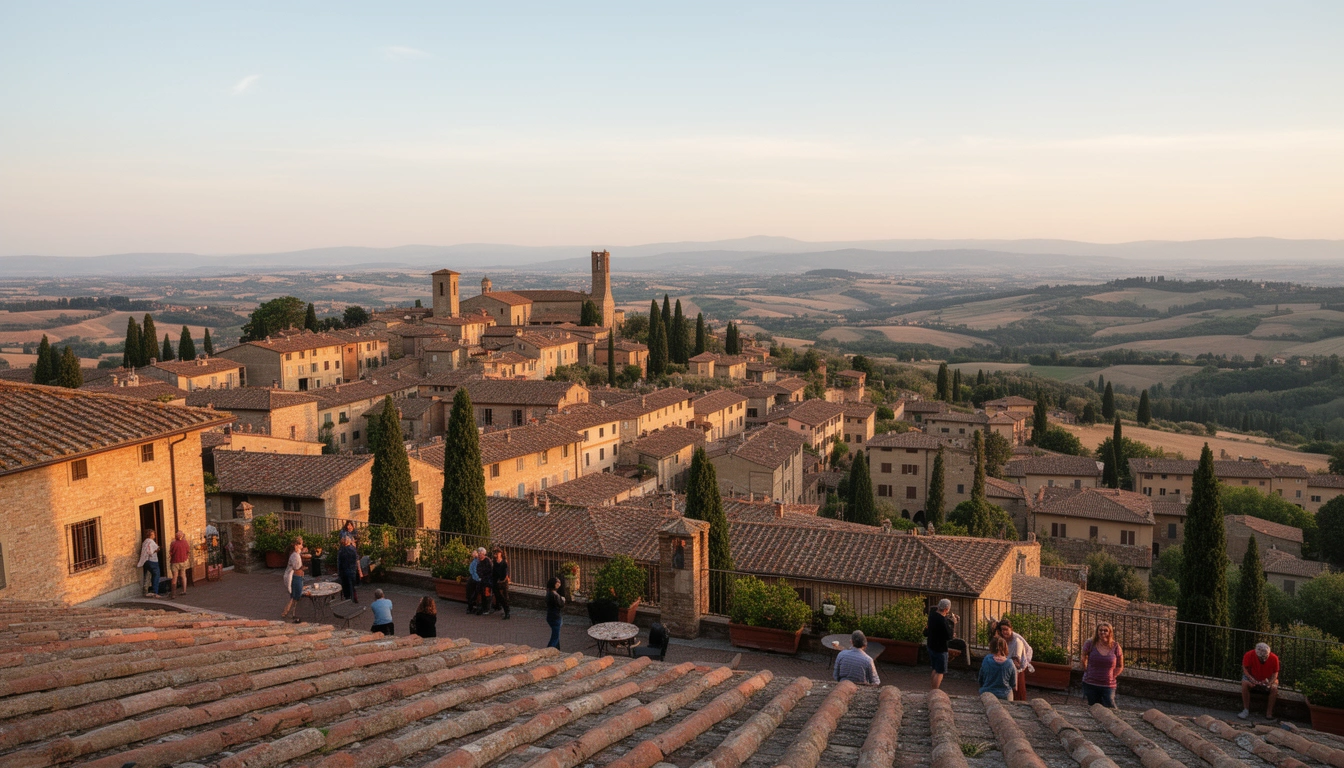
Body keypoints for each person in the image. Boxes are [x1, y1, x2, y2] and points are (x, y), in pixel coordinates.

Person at [1081, 622, 1123, 708]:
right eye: (1100, 630)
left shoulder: (1115, 646)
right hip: (1090, 682)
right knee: (1094, 707)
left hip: (1108, 684)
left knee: (1110, 705)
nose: (1102, 632)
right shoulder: (1090, 643)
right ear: (1097, 631)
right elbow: (1083, 656)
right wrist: (1085, 668)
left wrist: (1113, 675)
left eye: (1105, 630)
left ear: (1110, 632)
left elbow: (1120, 665)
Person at [996, 619, 1034, 702]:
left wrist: (1026, 662)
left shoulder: (1017, 641)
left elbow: (1018, 659)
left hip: (1016, 669)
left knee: (1017, 692)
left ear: (1011, 629)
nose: (1004, 632)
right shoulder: (1002, 638)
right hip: (1006, 666)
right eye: (1002, 630)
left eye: (1006, 629)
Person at [1240, 642, 1280, 720]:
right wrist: (1252, 680)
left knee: (1274, 688)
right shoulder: (1249, 655)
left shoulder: (1274, 658)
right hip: (1252, 677)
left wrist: (1269, 683)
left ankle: (1269, 713)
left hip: (1268, 679)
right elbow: (1245, 669)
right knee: (1244, 683)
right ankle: (1245, 710)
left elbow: (1275, 673)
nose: (1263, 660)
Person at [927, 599, 957, 690]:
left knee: (935, 669)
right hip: (940, 648)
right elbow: (948, 636)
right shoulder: (942, 621)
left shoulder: (932, 615)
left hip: (931, 644)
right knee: (940, 671)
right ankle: (935, 690)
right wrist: (953, 623)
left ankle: (932, 689)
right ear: (946, 609)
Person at [979, 635, 1018, 700]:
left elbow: (981, 679)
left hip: (987, 693)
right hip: (1005, 695)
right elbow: (1013, 684)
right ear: (1005, 647)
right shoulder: (1010, 663)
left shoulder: (986, 660)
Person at [280, 537, 305, 622]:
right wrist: (303, 568)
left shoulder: (296, 554)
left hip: (298, 577)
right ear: (296, 545)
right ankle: (289, 613)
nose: (302, 546)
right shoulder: (295, 555)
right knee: (295, 596)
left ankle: (289, 613)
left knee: (295, 596)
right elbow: (296, 567)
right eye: (301, 544)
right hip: (295, 578)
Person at [337, 536, 362, 603]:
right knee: (352, 585)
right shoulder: (353, 549)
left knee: (345, 585)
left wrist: (339, 572)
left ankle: (347, 598)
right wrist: (359, 570)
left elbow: (339, 562)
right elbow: (357, 560)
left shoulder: (341, 550)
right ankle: (354, 597)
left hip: (344, 570)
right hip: (352, 569)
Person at [138, 529, 161, 598]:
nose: (154, 536)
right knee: (156, 575)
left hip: (145, 561)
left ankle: (146, 589)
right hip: (152, 561)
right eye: (153, 534)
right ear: (151, 535)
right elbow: (152, 551)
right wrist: (158, 549)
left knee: (147, 575)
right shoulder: (151, 542)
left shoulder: (144, 542)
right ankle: (155, 592)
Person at [168, 530, 191, 599]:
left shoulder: (173, 543)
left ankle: (173, 594)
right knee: (183, 576)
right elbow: (188, 551)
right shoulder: (185, 543)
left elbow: (171, 552)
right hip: (183, 561)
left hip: (175, 562)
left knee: (174, 577)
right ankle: (184, 590)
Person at [546, 576, 565, 649]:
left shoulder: (549, 593)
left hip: (550, 616)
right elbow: (561, 604)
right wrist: (563, 599)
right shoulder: (554, 595)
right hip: (556, 617)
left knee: (556, 635)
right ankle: (549, 650)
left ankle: (557, 650)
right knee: (555, 637)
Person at [491, 548, 511, 620]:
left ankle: (507, 612)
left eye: (497, 553)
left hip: (503, 582)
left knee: (505, 597)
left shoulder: (504, 563)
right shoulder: (494, 562)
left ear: (501, 553)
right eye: (495, 553)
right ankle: (499, 607)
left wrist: (501, 580)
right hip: (496, 582)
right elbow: (493, 573)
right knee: (498, 596)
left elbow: (505, 574)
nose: (496, 554)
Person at [467, 547, 486, 614]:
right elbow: (472, 571)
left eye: (481, 553)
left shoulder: (481, 561)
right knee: (472, 592)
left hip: (477, 579)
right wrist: (477, 578)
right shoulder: (475, 561)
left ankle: (473, 607)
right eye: (479, 553)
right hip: (474, 579)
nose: (480, 554)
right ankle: (471, 607)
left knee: (475, 593)